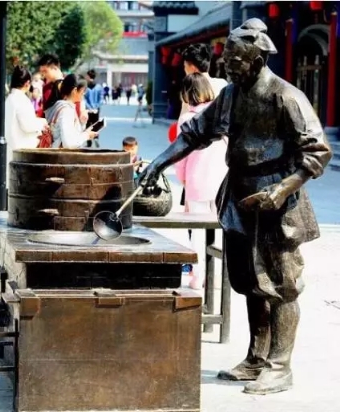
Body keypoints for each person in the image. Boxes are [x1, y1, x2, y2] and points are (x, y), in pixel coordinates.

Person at [139, 18, 332, 396]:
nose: (228, 69)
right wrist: (158, 162)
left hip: (277, 199)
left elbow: (317, 152)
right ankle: (256, 358)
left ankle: (280, 365)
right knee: (248, 281)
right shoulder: (230, 95)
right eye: (226, 62)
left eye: (235, 63)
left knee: (281, 285)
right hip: (240, 195)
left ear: (257, 60)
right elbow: (195, 133)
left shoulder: (286, 96)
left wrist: (283, 189)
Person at [174, 73, 228, 290]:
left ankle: (198, 278)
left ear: (187, 94)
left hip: (196, 181)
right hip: (221, 180)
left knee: (197, 232)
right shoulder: (221, 117)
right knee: (222, 228)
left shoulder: (188, 120)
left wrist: (183, 178)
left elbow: (179, 156)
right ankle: (220, 278)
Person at [4, 66, 47, 172]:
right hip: (21, 152)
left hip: (11, 149)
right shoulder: (22, 100)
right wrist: (42, 123)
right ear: (27, 83)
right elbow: (28, 126)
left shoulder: (9, 99)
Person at [45, 74, 99, 149]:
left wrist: (82, 123)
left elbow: (72, 134)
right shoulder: (66, 110)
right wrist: (87, 135)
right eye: (83, 91)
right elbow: (69, 143)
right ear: (75, 91)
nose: (84, 94)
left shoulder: (61, 106)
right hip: (62, 158)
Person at [180, 43, 228, 115]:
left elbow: (183, 123)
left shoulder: (190, 86)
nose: (184, 69)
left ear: (192, 68)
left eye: (185, 66)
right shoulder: (223, 84)